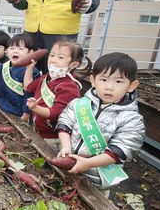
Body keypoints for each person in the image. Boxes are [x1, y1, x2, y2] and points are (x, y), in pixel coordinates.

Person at [55, 52, 144, 196]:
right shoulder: (80, 103)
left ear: (131, 85)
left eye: (118, 81)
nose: (109, 87)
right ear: (93, 80)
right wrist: (66, 146)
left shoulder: (132, 119)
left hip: (97, 179)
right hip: (67, 167)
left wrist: (88, 164)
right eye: (103, 79)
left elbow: (122, 150)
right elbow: (64, 123)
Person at [23, 40, 90, 150]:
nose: (53, 60)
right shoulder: (47, 77)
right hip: (38, 130)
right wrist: (29, 68)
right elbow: (28, 87)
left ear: (73, 64)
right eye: (52, 55)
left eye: (61, 57)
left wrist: (35, 108)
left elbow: (56, 113)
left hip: (52, 138)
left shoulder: (69, 87)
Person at [0, 34, 40, 121]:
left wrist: (26, 114)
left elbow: (30, 95)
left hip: (18, 113)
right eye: (11, 48)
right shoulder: (5, 65)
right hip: (0, 106)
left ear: (30, 52)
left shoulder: (33, 72)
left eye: (20, 49)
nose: (15, 51)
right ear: (7, 51)